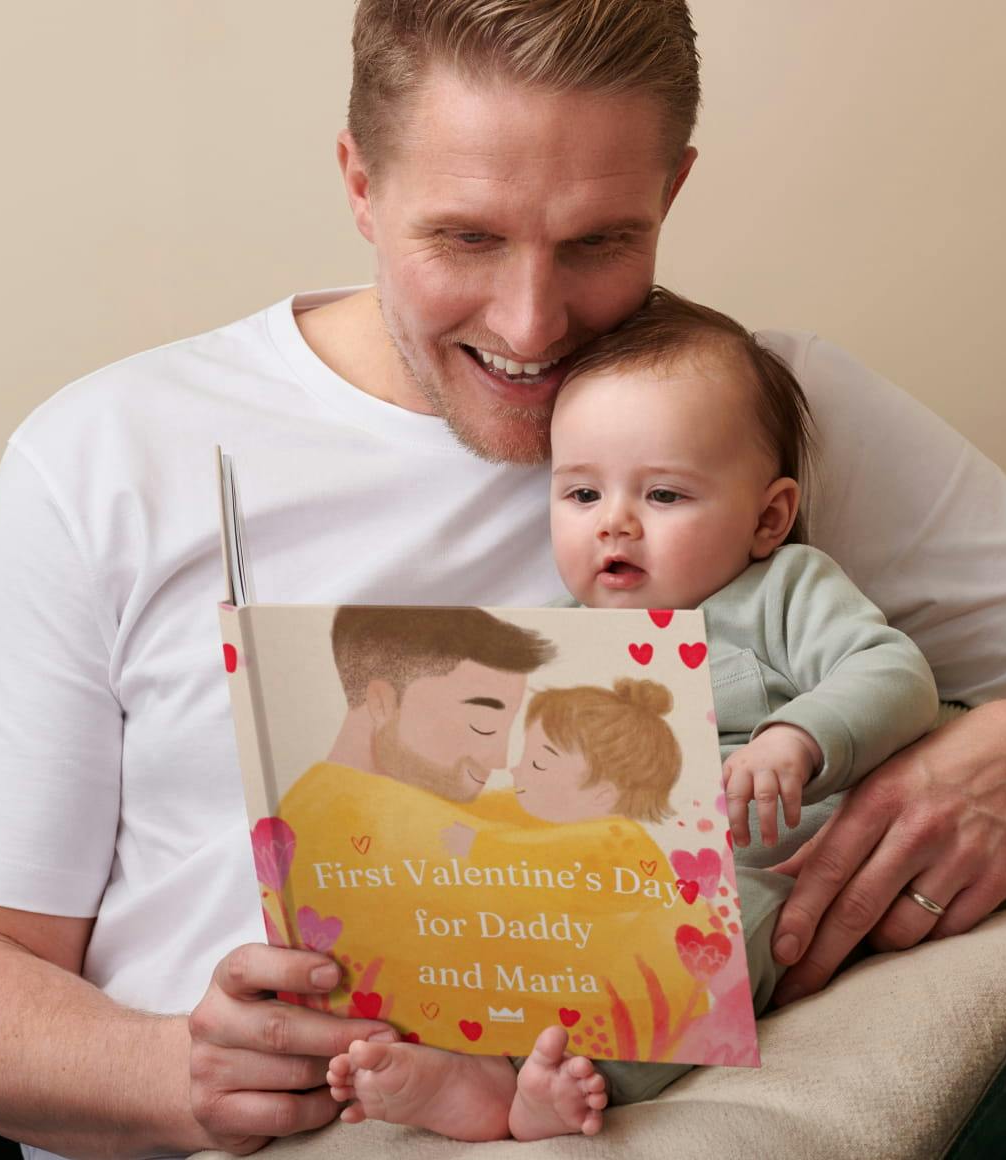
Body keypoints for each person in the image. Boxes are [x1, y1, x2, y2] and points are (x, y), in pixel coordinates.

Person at [0, 2, 1006, 1158]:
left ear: (672, 189)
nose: (530, 322)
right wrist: (180, 1073)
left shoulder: (752, 416)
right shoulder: (108, 454)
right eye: (465, 239)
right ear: (359, 181)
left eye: (600, 241)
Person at [326, 288, 939, 1139]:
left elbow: (896, 672)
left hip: (749, 870)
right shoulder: (562, 637)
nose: (614, 524)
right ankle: (479, 1067)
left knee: (706, 944)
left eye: (663, 497)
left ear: (768, 518)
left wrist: (798, 737)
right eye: (581, 496)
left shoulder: (779, 593)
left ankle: (578, 1078)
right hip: (599, 868)